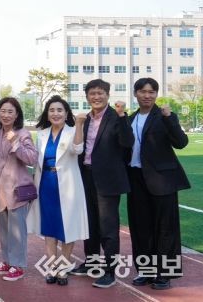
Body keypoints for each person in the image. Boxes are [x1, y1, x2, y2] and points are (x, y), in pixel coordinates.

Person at [70, 79, 134, 288]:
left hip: (108, 180)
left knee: (108, 227)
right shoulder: (84, 119)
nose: (96, 97)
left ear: (107, 94)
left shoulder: (116, 118)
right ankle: (91, 262)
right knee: (89, 224)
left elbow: (127, 142)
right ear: (87, 97)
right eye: (92, 94)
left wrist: (123, 116)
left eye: (100, 93)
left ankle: (110, 271)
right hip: (86, 177)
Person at [127, 78, 189, 290]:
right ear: (135, 94)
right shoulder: (130, 119)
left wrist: (170, 118)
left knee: (165, 229)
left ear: (156, 94)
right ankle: (146, 271)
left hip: (162, 180)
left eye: (151, 92)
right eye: (143, 91)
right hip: (136, 179)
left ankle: (165, 274)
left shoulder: (164, 116)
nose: (147, 95)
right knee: (140, 229)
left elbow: (181, 143)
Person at [27, 95, 88, 285]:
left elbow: (78, 149)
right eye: (52, 110)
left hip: (68, 186)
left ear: (66, 113)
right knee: (50, 229)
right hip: (46, 185)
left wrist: (79, 124)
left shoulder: (72, 131)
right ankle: (52, 267)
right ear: (47, 113)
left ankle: (64, 267)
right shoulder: (42, 134)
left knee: (67, 228)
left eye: (60, 110)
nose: (56, 113)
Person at [0, 97, 38, 281]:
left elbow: (32, 158)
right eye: (3, 111)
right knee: (4, 229)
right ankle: (7, 261)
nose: (6, 115)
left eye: (10, 111)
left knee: (17, 230)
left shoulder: (23, 133)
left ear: (17, 114)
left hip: (17, 190)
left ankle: (18, 265)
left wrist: (16, 143)